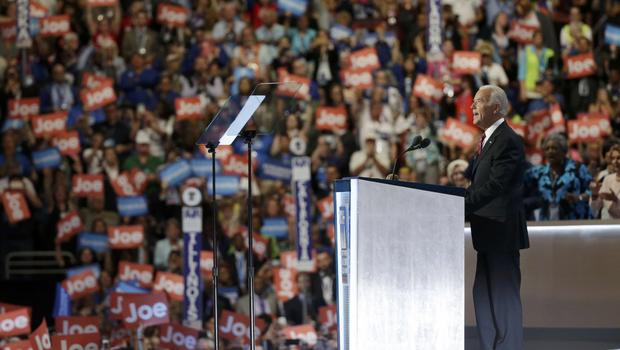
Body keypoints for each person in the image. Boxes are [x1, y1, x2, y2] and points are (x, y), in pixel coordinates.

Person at [464, 85, 529, 350]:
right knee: (484, 299)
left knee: (503, 302)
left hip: (501, 235)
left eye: (478, 101)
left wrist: (461, 206)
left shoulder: (507, 140)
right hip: (487, 235)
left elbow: (495, 186)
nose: (472, 106)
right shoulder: (490, 139)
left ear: (496, 108)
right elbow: (481, 187)